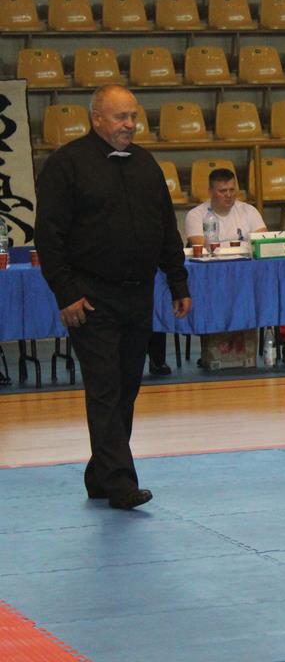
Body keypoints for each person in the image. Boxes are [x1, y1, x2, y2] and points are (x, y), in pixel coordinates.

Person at [34, 85, 191, 510]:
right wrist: (66, 293)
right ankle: (121, 484)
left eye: (133, 116)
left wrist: (178, 282)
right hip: (90, 298)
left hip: (138, 295)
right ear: (96, 119)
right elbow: (48, 236)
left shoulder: (146, 164)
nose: (130, 124)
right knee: (105, 387)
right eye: (121, 117)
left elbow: (166, 227)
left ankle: (99, 475)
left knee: (125, 388)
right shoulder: (66, 165)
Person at [183, 167, 266, 248]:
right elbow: (201, 248)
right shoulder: (195, 215)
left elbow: (263, 243)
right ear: (210, 192)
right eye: (223, 191)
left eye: (232, 190)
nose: (229, 195)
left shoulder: (249, 211)